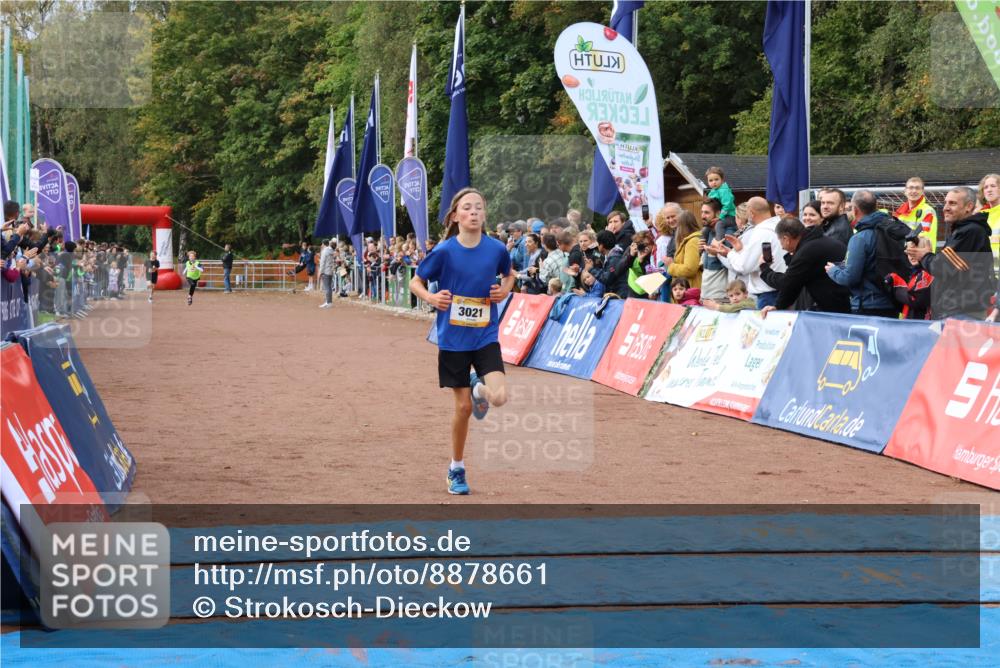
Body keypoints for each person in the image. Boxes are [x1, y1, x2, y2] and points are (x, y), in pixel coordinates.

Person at [408, 188, 514, 496]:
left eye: (478, 207)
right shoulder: (444, 251)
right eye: (467, 208)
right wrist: (430, 297)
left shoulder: (496, 249)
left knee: (499, 398)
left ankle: (478, 386)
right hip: (453, 339)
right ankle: (456, 467)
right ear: (455, 216)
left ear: (484, 214)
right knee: (464, 408)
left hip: (485, 335)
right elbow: (416, 281)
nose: (473, 212)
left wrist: (504, 290)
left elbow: (509, 275)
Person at [905, 186, 995, 320]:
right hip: (958, 311)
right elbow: (952, 269)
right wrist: (923, 256)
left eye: (952, 203)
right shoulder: (964, 231)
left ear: (969, 206)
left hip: (963, 313)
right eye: (946, 202)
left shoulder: (969, 231)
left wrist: (924, 255)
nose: (945, 207)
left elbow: (942, 267)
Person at [826, 190, 901, 317]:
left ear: (855, 210)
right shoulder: (892, 230)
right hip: (892, 302)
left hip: (867, 306)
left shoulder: (860, 238)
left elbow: (850, 277)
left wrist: (833, 271)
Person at [759, 216, 851, 315]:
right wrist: (778, 306)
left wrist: (765, 269)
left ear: (786, 238)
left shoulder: (806, 251)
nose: (781, 246)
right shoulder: (817, 241)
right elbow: (794, 284)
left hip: (837, 309)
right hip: (843, 302)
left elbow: (787, 282)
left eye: (780, 240)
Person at [718, 197, 785, 308]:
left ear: (751, 213)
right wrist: (740, 250)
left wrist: (730, 253)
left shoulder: (761, 232)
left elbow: (744, 266)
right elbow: (756, 260)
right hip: (780, 290)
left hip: (768, 294)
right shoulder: (779, 226)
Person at [888, 237, 935, 320]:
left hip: (920, 325)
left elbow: (916, 300)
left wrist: (897, 282)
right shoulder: (915, 272)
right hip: (912, 321)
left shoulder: (927, 273)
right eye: (909, 253)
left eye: (915, 252)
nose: (911, 257)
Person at [699, 197, 737, 301]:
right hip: (706, 294)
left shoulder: (728, 233)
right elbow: (705, 266)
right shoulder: (708, 232)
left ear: (718, 213)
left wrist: (715, 253)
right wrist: (701, 253)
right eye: (702, 212)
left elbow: (732, 263)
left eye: (706, 213)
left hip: (721, 296)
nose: (703, 216)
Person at [894, 176, 939, 248]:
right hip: (901, 255)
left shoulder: (928, 211)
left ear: (922, 192)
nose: (914, 191)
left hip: (919, 255)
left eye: (917, 188)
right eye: (911, 188)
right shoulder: (899, 212)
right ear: (905, 191)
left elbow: (925, 238)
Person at [664, 210, 703, 290]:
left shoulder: (692, 242)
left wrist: (671, 265)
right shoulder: (688, 241)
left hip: (690, 289)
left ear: (682, 226)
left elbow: (689, 269)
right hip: (686, 288)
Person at [978, 173, 999, 266]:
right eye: (985, 187)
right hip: (986, 273)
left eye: (993, 186)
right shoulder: (980, 216)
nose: (989, 190)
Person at [318, 239, 335, 308]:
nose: (321, 245)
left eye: (322, 244)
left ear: (324, 244)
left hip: (325, 271)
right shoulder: (331, 251)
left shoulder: (324, 251)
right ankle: (328, 301)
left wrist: (320, 272)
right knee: (329, 287)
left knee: (327, 287)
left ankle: (329, 302)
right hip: (330, 270)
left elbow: (322, 263)